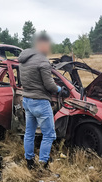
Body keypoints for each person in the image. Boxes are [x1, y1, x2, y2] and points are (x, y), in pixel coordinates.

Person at [18, 34, 61, 169]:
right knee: (49, 134)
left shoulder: (24, 59)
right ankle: (43, 163)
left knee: (29, 133)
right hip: (40, 102)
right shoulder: (42, 61)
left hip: (27, 100)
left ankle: (29, 161)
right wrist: (59, 89)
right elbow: (49, 85)